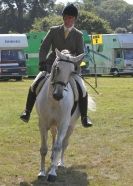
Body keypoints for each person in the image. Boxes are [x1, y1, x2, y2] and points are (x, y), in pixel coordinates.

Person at [20, 4, 92, 127]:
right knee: (35, 83)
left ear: (74, 19)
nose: (68, 20)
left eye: (71, 18)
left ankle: (84, 117)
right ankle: (27, 111)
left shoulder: (78, 34)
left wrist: (74, 65)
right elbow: (44, 48)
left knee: (82, 88)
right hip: (52, 64)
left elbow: (80, 54)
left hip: (70, 67)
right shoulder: (54, 30)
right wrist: (42, 62)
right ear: (63, 17)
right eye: (66, 17)